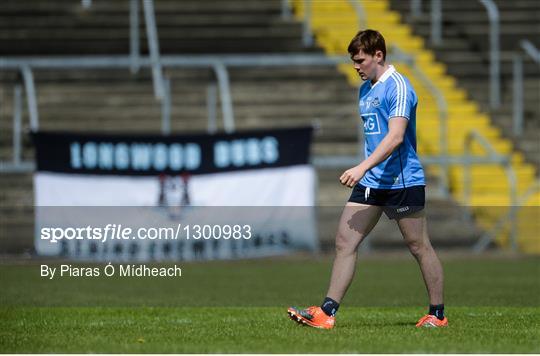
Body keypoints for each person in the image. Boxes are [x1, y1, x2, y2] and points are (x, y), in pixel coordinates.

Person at [287, 29, 447, 329]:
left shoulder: (398, 86)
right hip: (372, 181)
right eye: (353, 61)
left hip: (402, 181)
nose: (356, 66)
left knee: (418, 246)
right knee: (344, 241)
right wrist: (366, 171)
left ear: (378, 55)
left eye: (360, 60)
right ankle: (326, 312)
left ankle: (437, 314)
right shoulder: (365, 89)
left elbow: (396, 137)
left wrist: (361, 167)